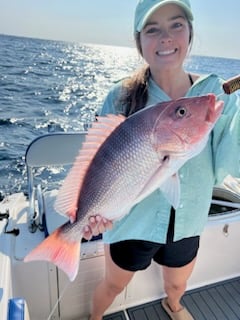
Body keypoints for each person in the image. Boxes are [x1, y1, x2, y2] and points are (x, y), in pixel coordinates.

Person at [83, 0, 240, 319]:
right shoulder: (121, 96)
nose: (166, 37)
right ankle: (95, 316)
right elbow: (99, 161)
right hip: (131, 222)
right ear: (139, 41)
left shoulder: (214, 93)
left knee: (178, 283)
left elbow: (231, 162)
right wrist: (93, 212)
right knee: (113, 286)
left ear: (190, 32)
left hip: (189, 220)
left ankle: (174, 304)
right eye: (153, 29)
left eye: (176, 25)